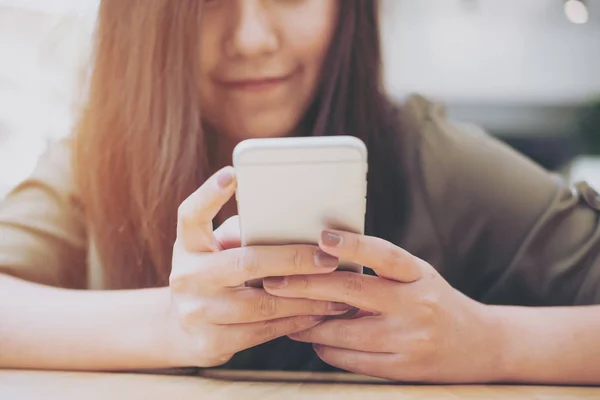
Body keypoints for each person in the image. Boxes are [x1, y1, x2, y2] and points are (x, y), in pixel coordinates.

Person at [1, 0, 600, 385]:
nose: (253, 37)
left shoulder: (428, 157)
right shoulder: (100, 158)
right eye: (206, 3)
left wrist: (491, 341)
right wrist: (170, 321)